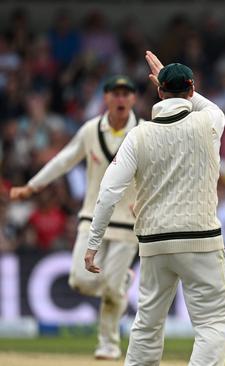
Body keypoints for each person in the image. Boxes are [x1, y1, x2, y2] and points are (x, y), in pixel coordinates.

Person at [84, 53, 225, 366]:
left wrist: (93, 242)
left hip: (154, 243)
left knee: (147, 325)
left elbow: (109, 191)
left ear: (159, 92)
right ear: (191, 89)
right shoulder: (210, 120)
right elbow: (205, 105)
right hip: (201, 240)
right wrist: (177, 83)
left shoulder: (138, 135)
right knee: (212, 325)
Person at [10, 75, 142, 360]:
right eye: (115, 93)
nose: (120, 99)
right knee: (80, 281)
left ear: (133, 99)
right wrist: (32, 186)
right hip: (91, 218)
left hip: (128, 224)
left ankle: (108, 344)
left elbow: (156, 173)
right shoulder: (91, 130)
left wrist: (145, 202)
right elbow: (63, 160)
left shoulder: (144, 132)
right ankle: (120, 283)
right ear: (106, 98)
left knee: (110, 291)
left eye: (126, 94)